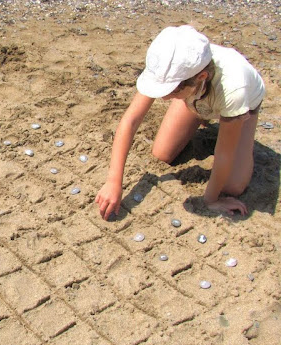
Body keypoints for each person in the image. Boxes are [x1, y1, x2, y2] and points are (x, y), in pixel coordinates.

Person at [95, 25, 265, 220]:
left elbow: (223, 154)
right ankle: (200, 112)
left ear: (200, 77)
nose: (164, 97)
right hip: (196, 97)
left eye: (171, 91)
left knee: (233, 186)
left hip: (242, 107)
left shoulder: (234, 89)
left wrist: (211, 200)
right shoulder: (169, 65)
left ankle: (239, 133)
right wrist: (114, 181)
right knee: (161, 153)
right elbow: (131, 120)